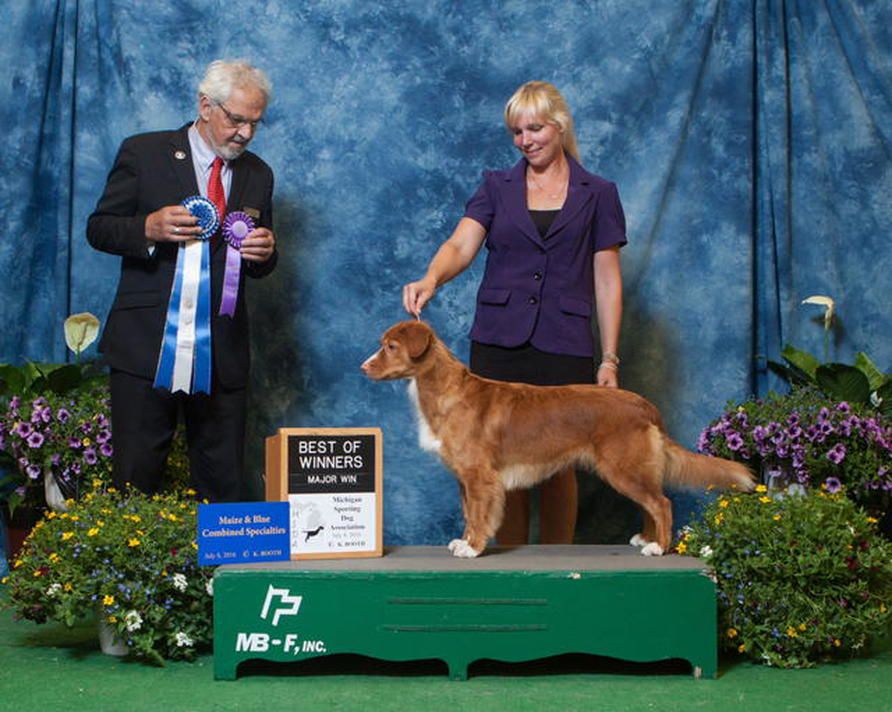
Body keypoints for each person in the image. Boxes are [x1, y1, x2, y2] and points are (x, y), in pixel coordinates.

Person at [403, 81, 626, 545]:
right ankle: (507, 560)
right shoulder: (496, 186)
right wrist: (431, 278)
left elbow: (607, 279)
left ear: (559, 126)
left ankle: (558, 562)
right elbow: (461, 245)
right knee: (494, 459)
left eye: (535, 128)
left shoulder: (599, 193)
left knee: (563, 462)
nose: (526, 140)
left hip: (564, 343)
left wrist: (608, 359)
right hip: (499, 339)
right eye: (516, 132)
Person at [87, 59, 277, 501]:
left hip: (223, 351)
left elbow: (258, 260)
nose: (245, 134)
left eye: (255, 124)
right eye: (237, 120)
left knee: (223, 480)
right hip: (145, 345)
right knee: (135, 478)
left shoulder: (258, 174)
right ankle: (134, 571)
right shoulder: (143, 152)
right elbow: (99, 228)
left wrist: (265, 253)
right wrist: (147, 228)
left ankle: (219, 571)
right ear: (205, 105)